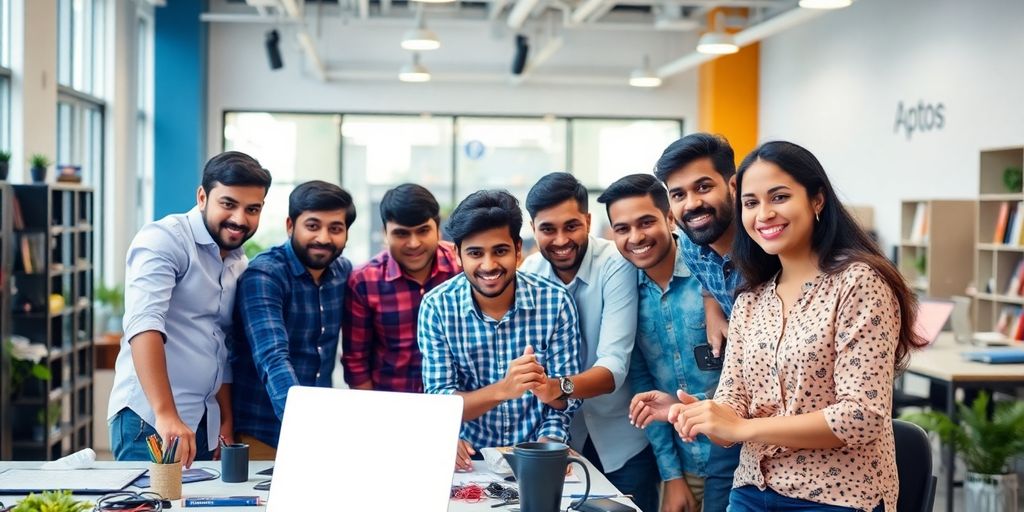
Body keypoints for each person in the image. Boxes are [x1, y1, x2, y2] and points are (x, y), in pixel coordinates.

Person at [667, 141, 924, 511]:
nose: (764, 214)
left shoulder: (858, 283)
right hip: (753, 487)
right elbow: (734, 399)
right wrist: (706, 416)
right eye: (751, 203)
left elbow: (862, 416)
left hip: (837, 495)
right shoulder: (750, 298)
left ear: (817, 200)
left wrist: (743, 429)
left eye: (780, 197)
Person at [108, 151, 272, 467]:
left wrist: (225, 417)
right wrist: (165, 413)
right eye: (228, 204)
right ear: (202, 196)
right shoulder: (164, 239)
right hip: (151, 420)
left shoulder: (238, 261)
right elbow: (144, 324)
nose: (240, 218)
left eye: (252, 209)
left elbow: (220, 343)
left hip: (203, 421)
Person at [519, 173, 658, 512]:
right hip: (558, 439)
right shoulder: (530, 274)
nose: (561, 239)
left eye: (571, 226)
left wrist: (558, 387)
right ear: (533, 229)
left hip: (623, 439)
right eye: (548, 229)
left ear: (588, 221)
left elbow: (614, 367)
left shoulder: (615, 263)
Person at [418, 189, 582, 469]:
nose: (489, 265)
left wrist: (549, 444)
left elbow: (566, 401)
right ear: (457, 254)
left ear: (518, 250)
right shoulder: (437, 307)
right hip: (469, 457)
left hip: (537, 452)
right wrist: (504, 389)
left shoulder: (555, 302)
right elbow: (442, 402)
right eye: (475, 253)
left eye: (500, 251)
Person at [634, 132, 745, 510]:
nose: (692, 204)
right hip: (726, 430)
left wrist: (690, 406)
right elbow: (712, 278)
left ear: (732, 185)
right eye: (679, 194)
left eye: (703, 187)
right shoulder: (696, 248)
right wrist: (712, 301)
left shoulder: (766, 256)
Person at [598, 174, 719, 512]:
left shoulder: (709, 274)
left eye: (646, 222)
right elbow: (643, 390)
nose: (635, 237)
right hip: (685, 465)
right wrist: (672, 477)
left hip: (741, 457)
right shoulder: (624, 295)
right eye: (622, 229)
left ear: (669, 218)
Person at [231, 181, 356, 459]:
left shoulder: (342, 272)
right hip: (263, 431)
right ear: (291, 226)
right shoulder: (265, 275)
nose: (323, 238)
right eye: (312, 226)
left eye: (335, 228)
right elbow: (272, 357)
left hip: (319, 432)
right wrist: (303, 426)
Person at [342, 184, 460, 393]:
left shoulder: (462, 266)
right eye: (401, 234)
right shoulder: (364, 281)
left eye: (423, 231)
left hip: (459, 403)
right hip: (391, 404)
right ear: (385, 233)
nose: (413, 243)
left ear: (438, 229)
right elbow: (356, 362)